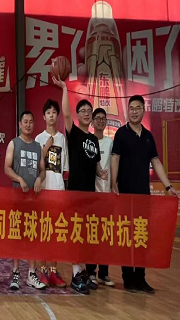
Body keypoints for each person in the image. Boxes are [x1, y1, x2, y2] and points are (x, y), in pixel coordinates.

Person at [111, 95, 178, 294]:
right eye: (131, 108)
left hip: (143, 195)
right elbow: (115, 158)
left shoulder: (148, 136)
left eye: (137, 108)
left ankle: (141, 278)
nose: (134, 111)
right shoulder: (121, 134)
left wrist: (168, 187)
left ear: (143, 111)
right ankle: (128, 278)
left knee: (141, 236)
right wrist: (114, 182)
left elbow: (156, 162)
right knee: (127, 236)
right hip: (125, 194)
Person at [52, 76, 108, 295]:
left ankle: (83, 272)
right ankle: (76, 275)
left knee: (86, 235)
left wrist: (100, 172)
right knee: (77, 234)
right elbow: (66, 114)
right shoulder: (73, 134)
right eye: (82, 110)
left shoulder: (93, 140)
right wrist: (65, 89)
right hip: (75, 193)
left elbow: (95, 164)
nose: (86, 113)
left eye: (89, 111)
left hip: (90, 195)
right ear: (78, 115)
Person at [5, 111, 46, 291]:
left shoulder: (37, 147)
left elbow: (42, 170)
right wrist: (19, 179)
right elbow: (7, 168)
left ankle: (31, 273)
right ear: (20, 124)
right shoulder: (14, 143)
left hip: (33, 199)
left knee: (32, 235)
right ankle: (16, 272)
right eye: (25, 122)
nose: (28, 125)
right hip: (17, 197)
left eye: (31, 122)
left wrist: (39, 179)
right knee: (16, 235)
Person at [34, 99, 68, 289]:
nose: (52, 115)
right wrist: (45, 147)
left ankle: (54, 270)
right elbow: (36, 165)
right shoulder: (39, 138)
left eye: (54, 112)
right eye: (48, 112)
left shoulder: (63, 139)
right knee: (43, 230)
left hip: (58, 189)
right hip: (43, 190)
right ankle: (42, 269)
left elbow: (65, 167)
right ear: (44, 116)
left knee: (55, 231)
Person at [85, 108, 115, 287]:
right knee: (92, 235)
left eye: (103, 118)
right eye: (97, 118)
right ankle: (90, 272)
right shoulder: (88, 142)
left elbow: (115, 165)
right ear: (92, 122)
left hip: (107, 195)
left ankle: (104, 273)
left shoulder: (110, 143)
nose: (100, 121)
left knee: (106, 236)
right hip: (92, 195)